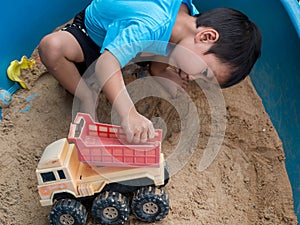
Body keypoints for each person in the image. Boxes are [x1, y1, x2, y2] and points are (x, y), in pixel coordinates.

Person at [38, 0, 262, 144]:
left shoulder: (188, 16)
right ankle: (86, 94)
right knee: (51, 48)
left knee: (177, 47)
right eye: (204, 72)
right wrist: (129, 114)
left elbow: (172, 45)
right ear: (206, 37)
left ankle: (156, 69)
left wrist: (162, 71)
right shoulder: (152, 24)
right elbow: (105, 64)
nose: (193, 79)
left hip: (136, 42)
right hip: (92, 37)